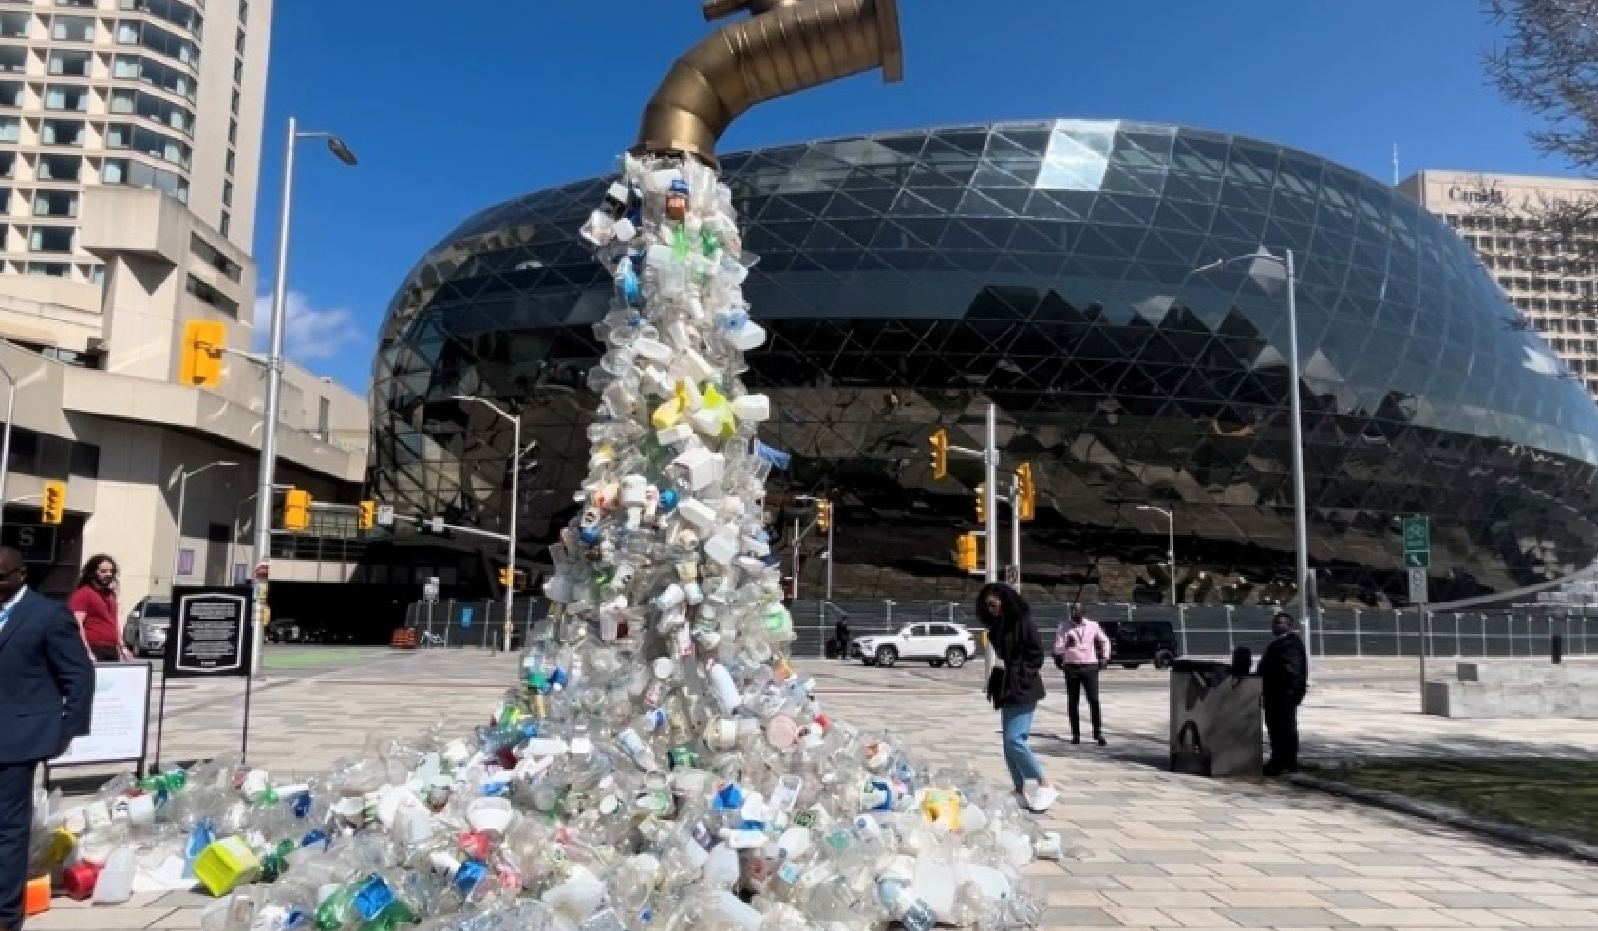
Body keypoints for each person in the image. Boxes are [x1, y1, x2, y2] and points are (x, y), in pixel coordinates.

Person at [0, 545, 95, 931]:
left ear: (21, 574)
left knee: (8, 828)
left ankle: (6, 915)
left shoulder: (48, 615)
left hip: (19, 738)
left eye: (1, 575)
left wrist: (66, 730)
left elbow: (80, 676)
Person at [976, 582, 1056, 812]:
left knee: (1015, 739)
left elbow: (1036, 655)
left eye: (994, 603)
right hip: (1006, 686)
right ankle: (1019, 789)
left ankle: (1043, 783)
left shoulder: (1023, 623)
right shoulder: (996, 627)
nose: (991, 608)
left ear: (1005, 600)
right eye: (987, 605)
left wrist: (1021, 675)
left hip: (1022, 687)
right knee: (1008, 743)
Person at [1257, 611, 1309, 776]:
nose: (1276, 626)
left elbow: (1290, 671)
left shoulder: (1291, 644)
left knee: (1285, 728)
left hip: (1283, 695)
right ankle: (1278, 760)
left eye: (1280, 623)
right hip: (1274, 695)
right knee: (1275, 729)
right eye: (1274, 623)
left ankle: (1285, 762)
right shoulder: (1278, 644)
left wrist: (1288, 692)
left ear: (1289, 625)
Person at [1053, 604, 1111, 746]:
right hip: (1071, 667)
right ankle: (1075, 734)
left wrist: (1105, 657)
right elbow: (1057, 648)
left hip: (1090, 666)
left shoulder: (1093, 625)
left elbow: (1105, 640)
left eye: (1077, 609)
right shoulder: (1064, 627)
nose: (1074, 612)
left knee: (1094, 700)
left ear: (1083, 612)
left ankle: (1097, 733)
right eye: (1072, 609)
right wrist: (1066, 645)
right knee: (1073, 701)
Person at [67, 554, 127, 663]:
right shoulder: (83, 594)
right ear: (92, 573)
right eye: (103, 571)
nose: (108, 574)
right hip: (94, 647)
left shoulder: (110, 595)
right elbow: (77, 625)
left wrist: (122, 646)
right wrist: (87, 651)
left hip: (111, 648)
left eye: (111, 571)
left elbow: (114, 621)